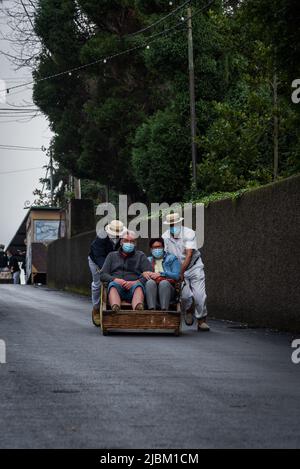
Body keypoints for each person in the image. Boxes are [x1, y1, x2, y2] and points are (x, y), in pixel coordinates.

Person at [162, 213, 209, 331]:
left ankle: (201, 320)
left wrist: (181, 272)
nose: (174, 226)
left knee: (200, 296)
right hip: (178, 269)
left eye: (175, 224)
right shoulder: (165, 237)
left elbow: (189, 255)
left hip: (194, 267)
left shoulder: (189, 233)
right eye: (171, 224)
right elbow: (167, 255)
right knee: (185, 296)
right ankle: (188, 310)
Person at [100, 231, 152, 312]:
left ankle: (138, 309)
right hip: (117, 286)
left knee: (138, 286)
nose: (129, 243)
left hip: (134, 287)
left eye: (132, 241)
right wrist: (115, 280)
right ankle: (115, 309)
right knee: (112, 285)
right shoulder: (112, 256)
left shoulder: (141, 256)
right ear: (121, 242)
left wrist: (136, 282)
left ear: (135, 244)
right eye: (126, 241)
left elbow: (149, 273)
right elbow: (102, 274)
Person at [88, 220, 127, 326]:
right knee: (97, 284)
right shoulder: (101, 237)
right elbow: (98, 256)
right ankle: (96, 308)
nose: (118, 235)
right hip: (97, 261)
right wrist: (105, 269)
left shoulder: (124, 234)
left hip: (115, 259)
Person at [144, 238, 181, 311]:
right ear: (151, 249)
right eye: (155, 247)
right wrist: (144, 273)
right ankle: (152, 311)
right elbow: (139, 274)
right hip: (151, 290)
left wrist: (161, 274)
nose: (157, 249)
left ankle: (164, 312)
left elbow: (177, 276)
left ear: (163, 248)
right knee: (150, 282)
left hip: (168, 290)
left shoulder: (171, 258)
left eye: (159, 247)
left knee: (164, 283)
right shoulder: (147, 260)